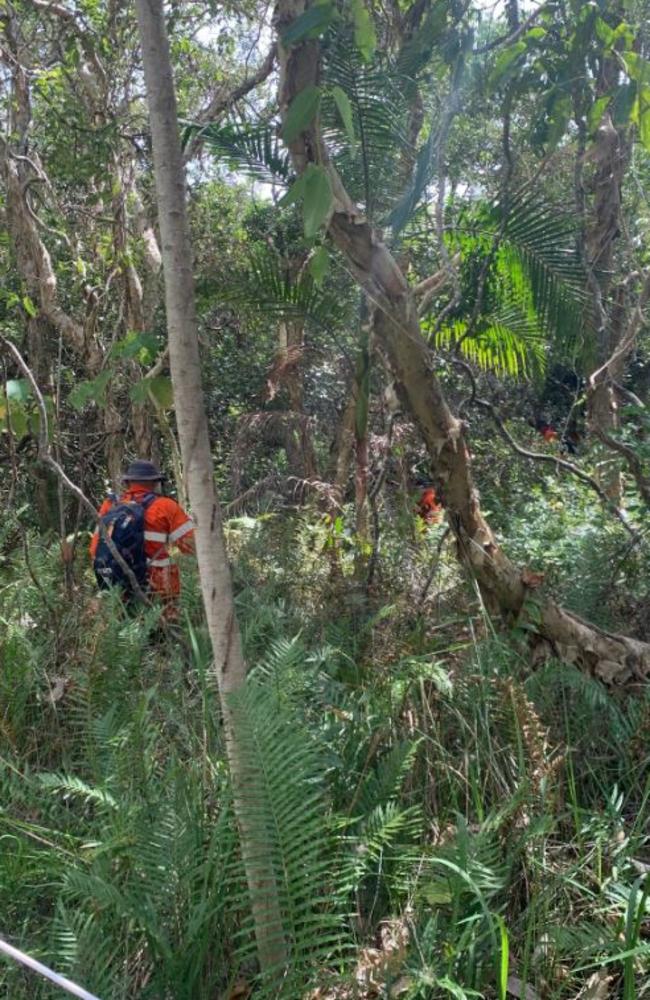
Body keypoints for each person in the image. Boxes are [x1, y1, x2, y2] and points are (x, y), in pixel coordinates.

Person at [89, 460, 195, 618]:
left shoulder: (110, 506)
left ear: (128, 482)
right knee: (164, 635)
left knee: (127, 633)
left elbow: (94, 549)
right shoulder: (166, 506)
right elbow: (191, 547)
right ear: (155, 483)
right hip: (159, 586)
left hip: (118, 583)